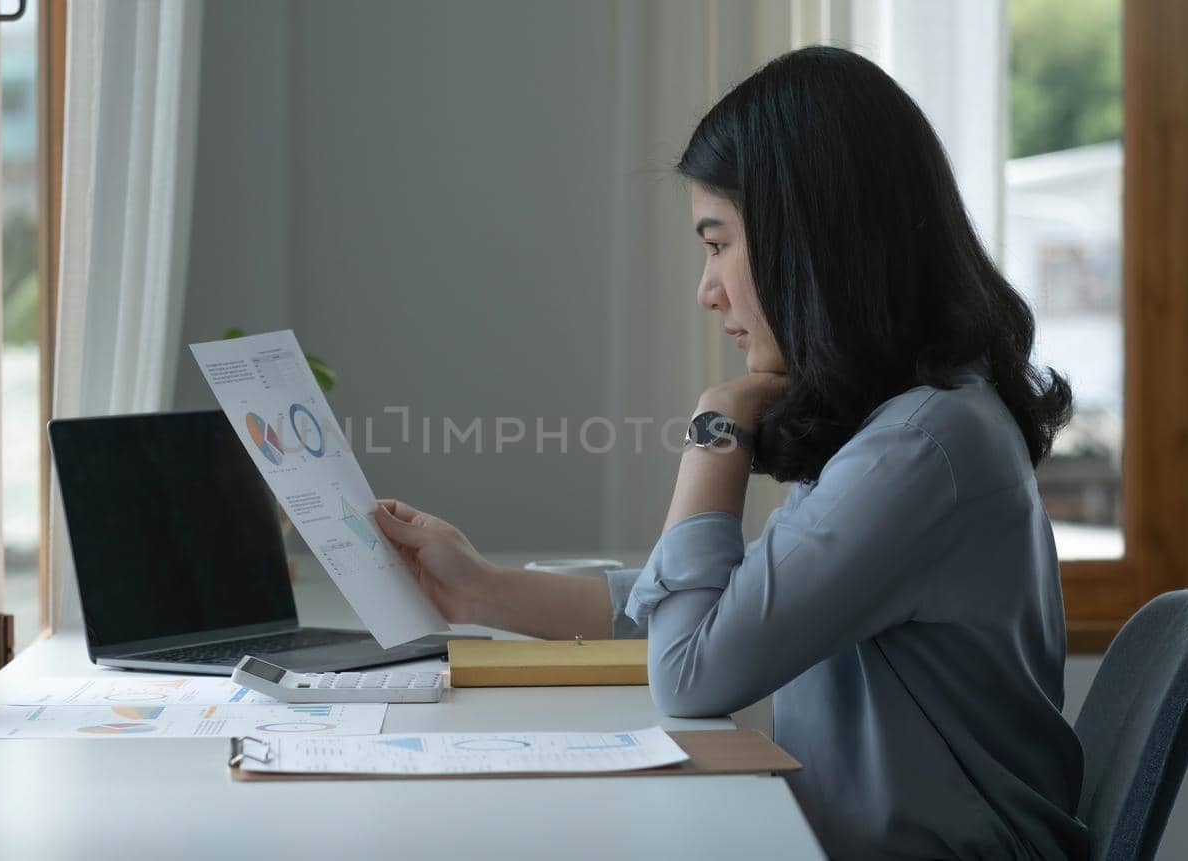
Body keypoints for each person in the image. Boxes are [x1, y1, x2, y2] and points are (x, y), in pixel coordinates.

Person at [372, 46, 1088, 858]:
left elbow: (690, 672)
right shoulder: (915, 426)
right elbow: (715, 609)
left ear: (809, 239)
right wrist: (480, 590)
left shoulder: (922, 448)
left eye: (718, 243)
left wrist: (718, 422)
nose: (707, 289)